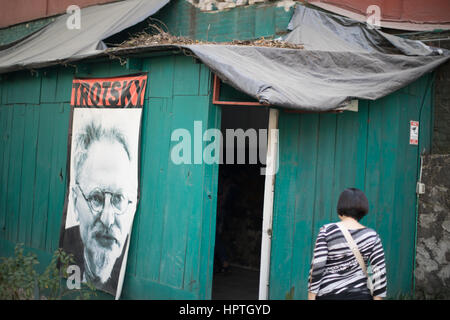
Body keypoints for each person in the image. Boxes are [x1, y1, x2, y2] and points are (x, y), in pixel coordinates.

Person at [62, 121, 137, 293]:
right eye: (96, 197)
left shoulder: (134, 257)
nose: (107, 219)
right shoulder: (67, 252)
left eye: (118, 198)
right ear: (74, 201)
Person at [308, 188, 387, 300]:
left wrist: (311, 296)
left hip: (329, 294)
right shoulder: (372, 236)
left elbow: (317, 266)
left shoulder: (327, 231)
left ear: (341, 207)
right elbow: (379, 272)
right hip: (360, 295)